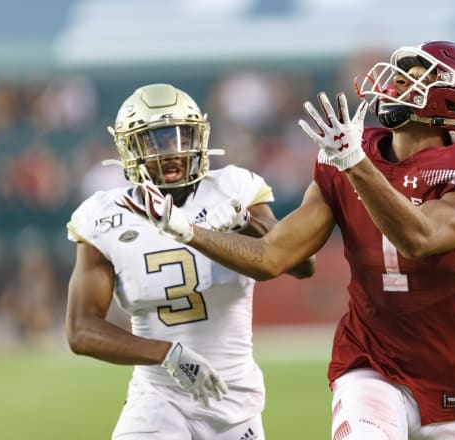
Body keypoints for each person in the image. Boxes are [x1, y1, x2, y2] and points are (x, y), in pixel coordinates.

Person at [121, 41, 455, 440]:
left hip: (453, 381)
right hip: (369, 363)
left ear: (453, 101)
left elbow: (420, 239)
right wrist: (186, 229)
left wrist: (354, 163)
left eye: (418, 76)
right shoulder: (347, 156)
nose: (397, 82)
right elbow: (273, 257)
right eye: (402, 73)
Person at [65, 83, 315, 439]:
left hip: (236, 402)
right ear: (129, 149)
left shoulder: (233, 189)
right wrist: (168, 354)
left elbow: (303, 265)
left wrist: (246, 222)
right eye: (155, 140)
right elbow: (81, 330)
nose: (171, 151)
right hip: (158, 398)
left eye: (180, 136)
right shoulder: (105, 216)